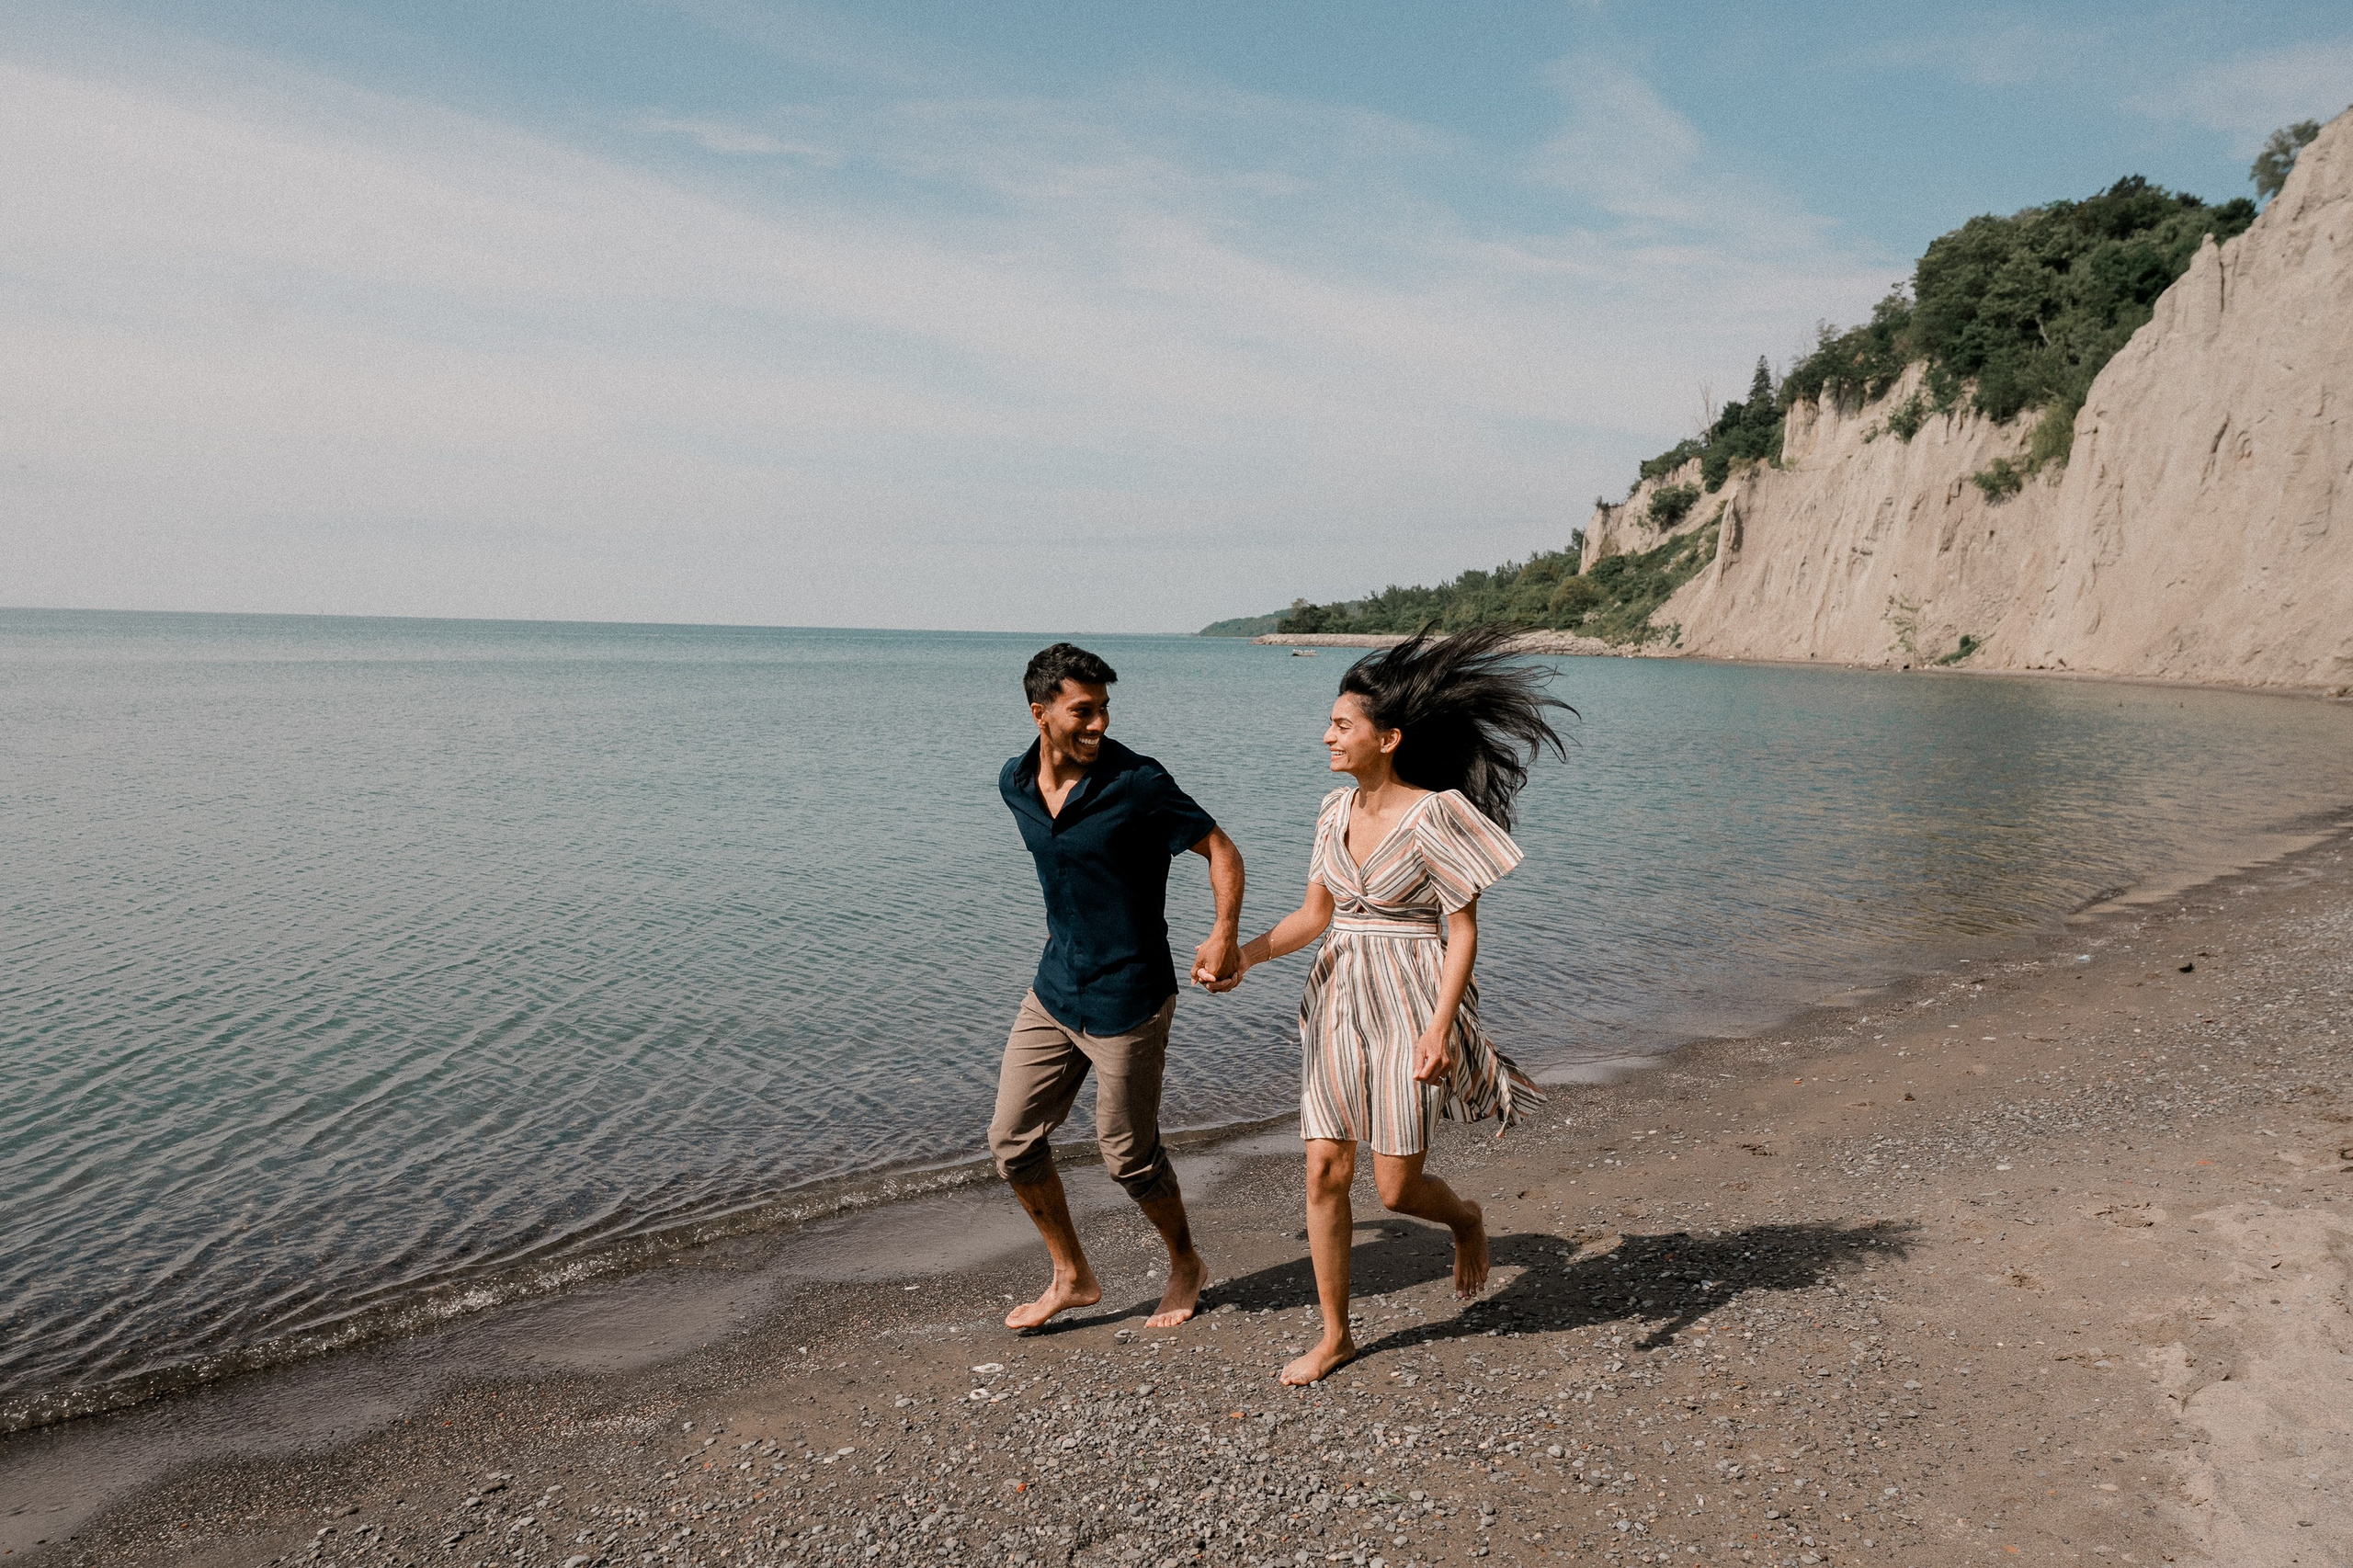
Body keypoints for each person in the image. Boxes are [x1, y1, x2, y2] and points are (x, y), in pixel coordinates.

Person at [1210, 626, 1567, 1384]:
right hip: (1339, 993)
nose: (1328, 736)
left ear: (1389, 738)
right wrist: (1244, 957)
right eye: (1331, 724)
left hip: (1411, 997)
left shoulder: (1437, 814)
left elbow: (1462, 933)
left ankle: (1465, 1218)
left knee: (1397, 1188)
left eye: (1343, 726)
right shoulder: (1331, 811)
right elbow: (1314, 916)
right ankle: (1335, 1333)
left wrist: (1441, 1026)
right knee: (1324, 1172)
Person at [990, 642, 1245, 1331]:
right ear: (1040, 713)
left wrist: (1223, 934)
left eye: (1104, 709)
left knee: (1128, 1158)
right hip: (1053, 989)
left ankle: (1186, 1262)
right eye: (1083, 711)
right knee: (1012, 1141)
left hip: (1130, 999)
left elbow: (1222, 848)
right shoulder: (1016, 783)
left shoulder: (1138, 783)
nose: (1098, 724)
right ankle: (1071, 1274)